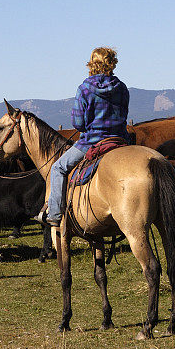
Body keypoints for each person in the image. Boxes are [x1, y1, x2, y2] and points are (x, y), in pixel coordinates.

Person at [43, 46, 130, 227]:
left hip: (91, 142)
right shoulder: (122, 88)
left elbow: (79, 123)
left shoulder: (84, 89)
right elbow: (124, 116)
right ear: (112, 64)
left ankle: (54, 213)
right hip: (120, 141)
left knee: (58, 168)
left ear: (92, 64)